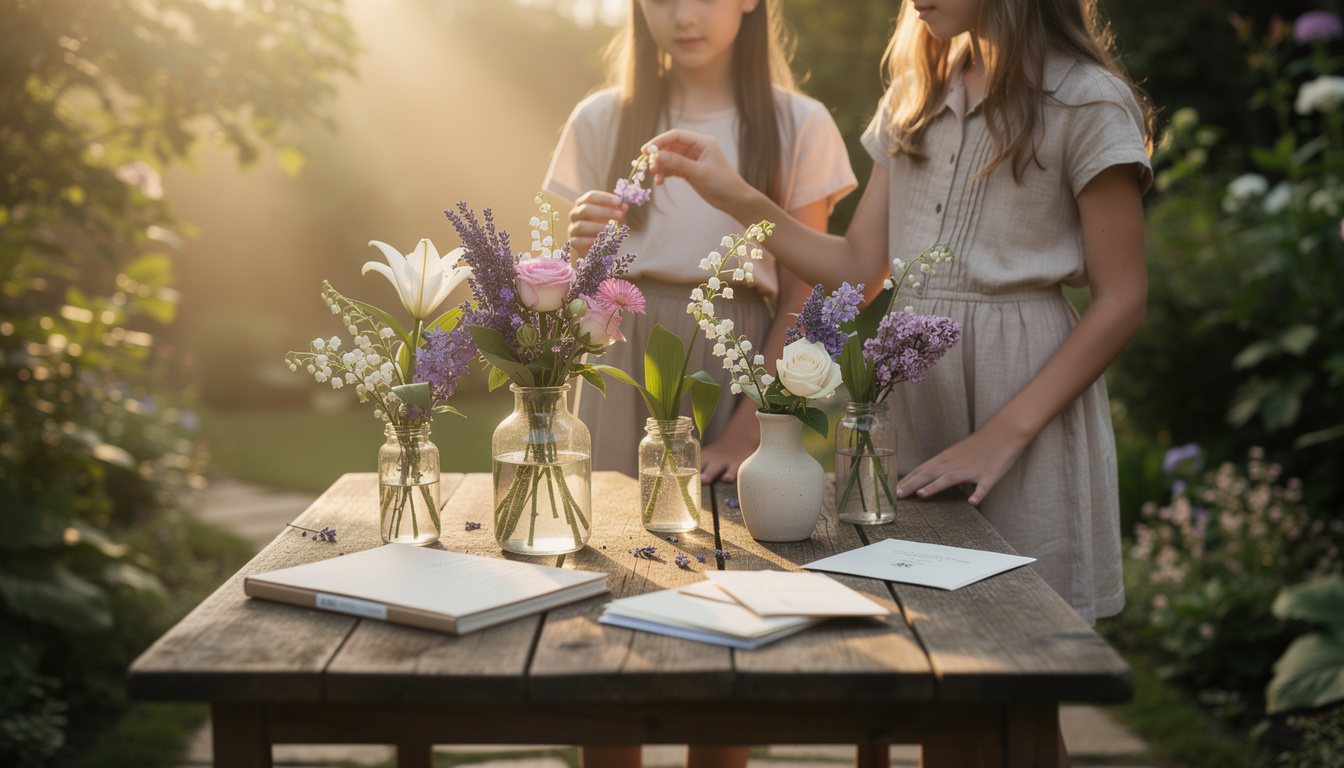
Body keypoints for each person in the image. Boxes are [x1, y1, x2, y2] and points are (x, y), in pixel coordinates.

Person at [649, 0, 1152, 763]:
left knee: (1018, 681)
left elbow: (1123, 298)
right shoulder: (915, 97)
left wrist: (998, 438)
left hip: (1026, 409)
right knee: (932, 665)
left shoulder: (1086, 99)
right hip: (910, 396)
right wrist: (734, 195)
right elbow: (859, 266)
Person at [541, 0, 857, 487]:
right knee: (608, 530)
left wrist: (749, 431)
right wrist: (578, 253)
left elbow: (803, 297)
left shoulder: (799, 124)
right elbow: (566, 298)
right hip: (618, 357)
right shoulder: (599, 118)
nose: (685, 17)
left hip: (739, 362)